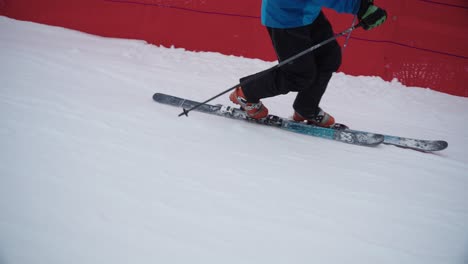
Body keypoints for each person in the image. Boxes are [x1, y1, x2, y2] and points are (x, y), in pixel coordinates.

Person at [229, 0, 387, 127]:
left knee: (329, 57)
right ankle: (246, 93)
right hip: (285, 15)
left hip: (307, 12)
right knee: (298, 76)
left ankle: (306, 108)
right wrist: (360, 6)